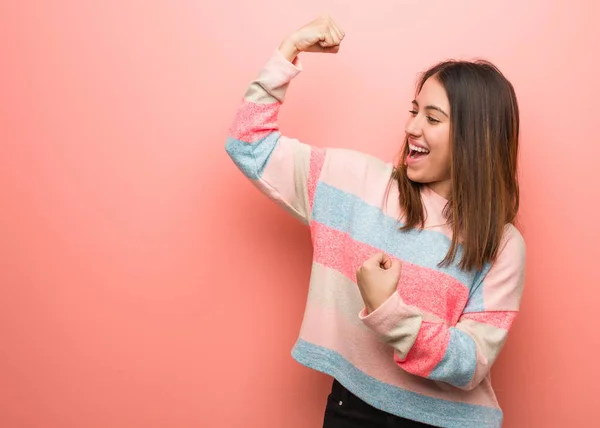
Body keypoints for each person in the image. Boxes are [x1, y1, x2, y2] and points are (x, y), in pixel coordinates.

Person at [224, 15, 526, 428]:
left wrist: (389, 312)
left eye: (432, 118)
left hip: (447, 421)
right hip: (353, 409)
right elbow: (249, 145)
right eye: (414, 110)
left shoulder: (502, 244)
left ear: (475, 137)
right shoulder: (353, 184)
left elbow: (471, 363)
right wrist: (288, 51)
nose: (411, 127)